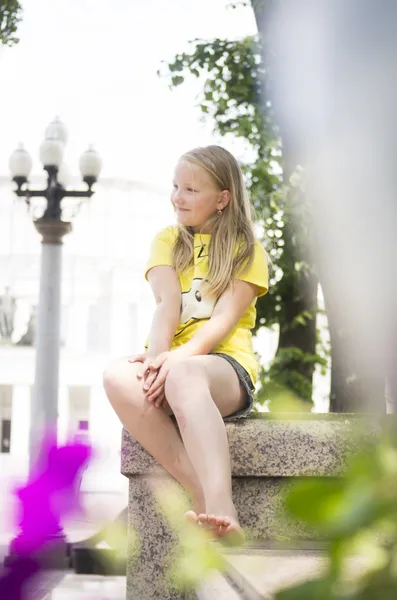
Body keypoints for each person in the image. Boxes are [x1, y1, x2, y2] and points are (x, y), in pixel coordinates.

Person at [103, 145, 269, 541]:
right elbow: (166, 304)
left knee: (185, 374)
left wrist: (175, 362)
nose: (178, 196)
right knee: (116, 376)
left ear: (222, 199)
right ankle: (199, 491)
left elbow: (223, 322)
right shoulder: (168, 240)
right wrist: (158, 361)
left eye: (192, 190)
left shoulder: (248, 251)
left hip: (223, 368)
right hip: (171, 361)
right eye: (176, 186)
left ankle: (224, 506)